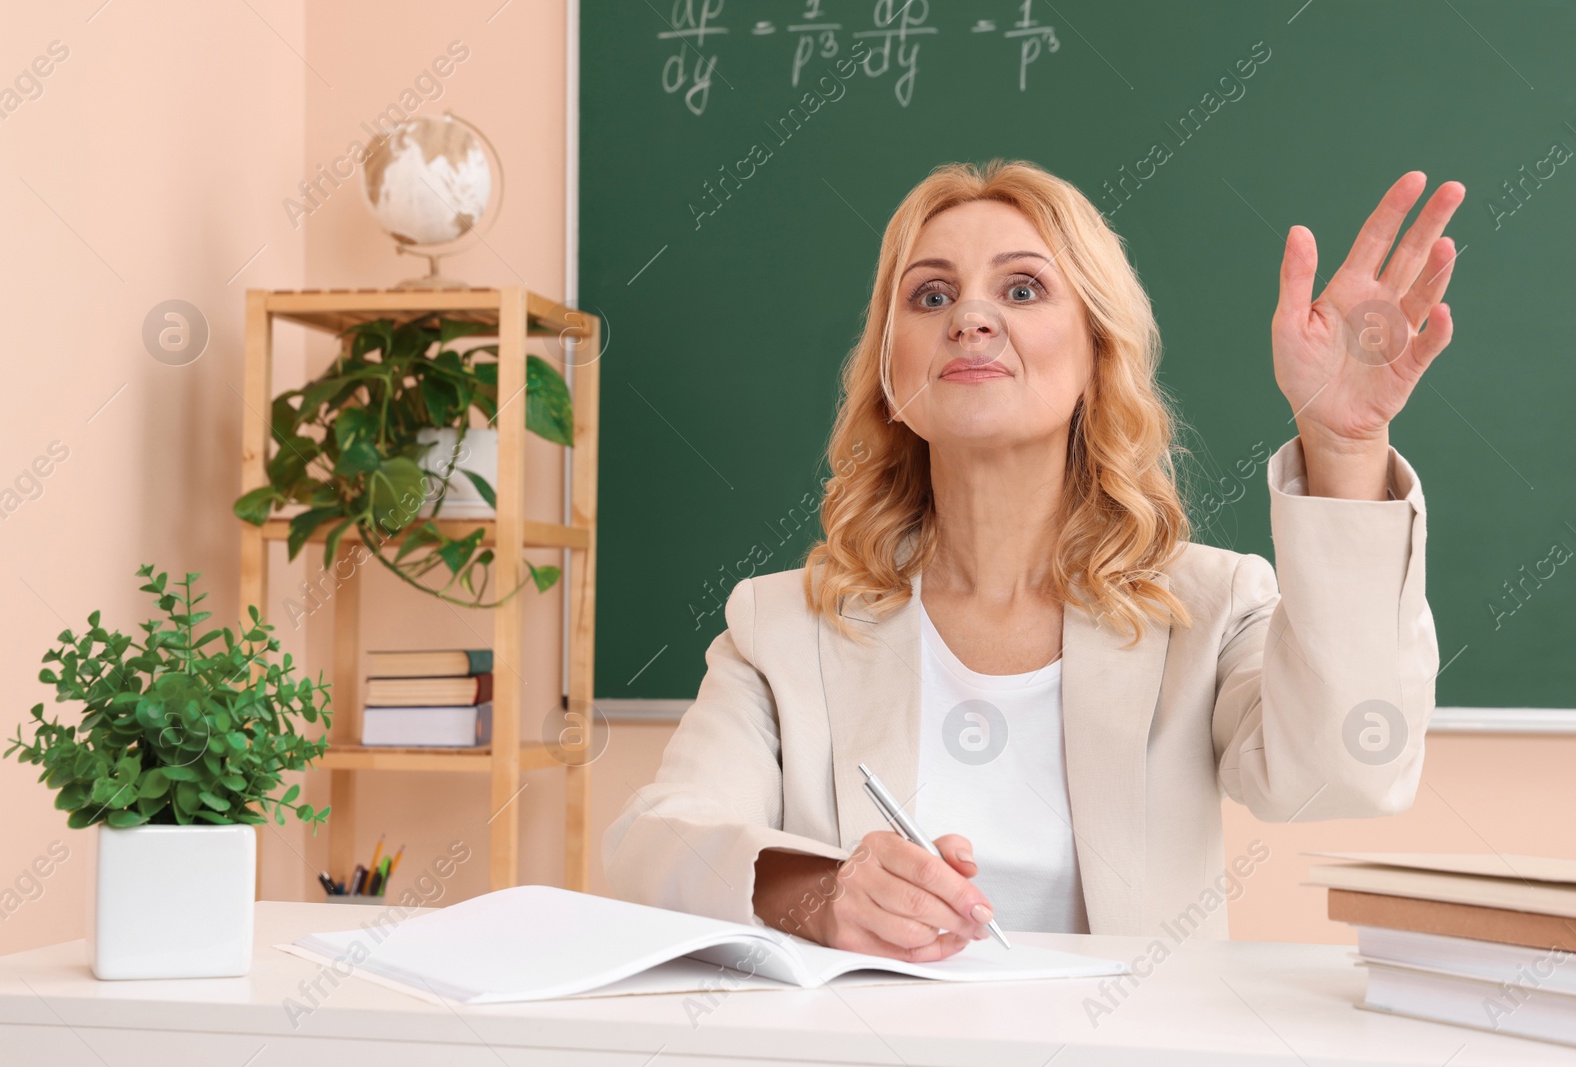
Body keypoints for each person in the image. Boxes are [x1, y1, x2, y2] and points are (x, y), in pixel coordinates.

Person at [604, 158, 1455, 962]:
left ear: (1095, 352)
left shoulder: (1210, 605)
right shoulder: (783, 625)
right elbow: (653, 847)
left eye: (1022, 288)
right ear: (890, 373)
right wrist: (822, 893)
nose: (971, 318)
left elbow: (1347, 774)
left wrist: (1344, 446)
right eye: (931, 294)